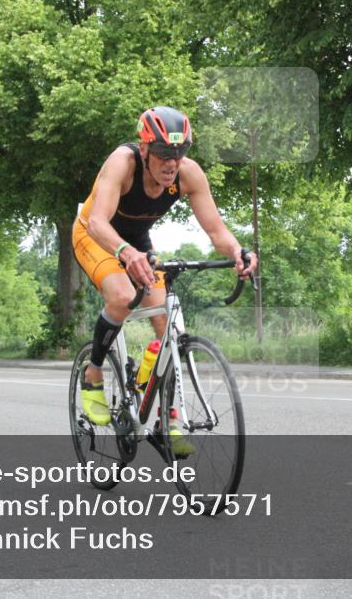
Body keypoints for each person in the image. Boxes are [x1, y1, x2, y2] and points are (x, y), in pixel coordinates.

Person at [73, 106, 257, 455]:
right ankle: (93, 372)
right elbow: (97, 221)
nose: (171, 162)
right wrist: (126, 254)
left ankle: (165, 416)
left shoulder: (189, 175)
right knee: (121, 295)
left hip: (138, 243)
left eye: (179, 152)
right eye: (162, 154)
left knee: (166, 326)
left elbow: (216, 230)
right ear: (144, 150)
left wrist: (236, 251)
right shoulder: (122, 163)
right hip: (94, 236)